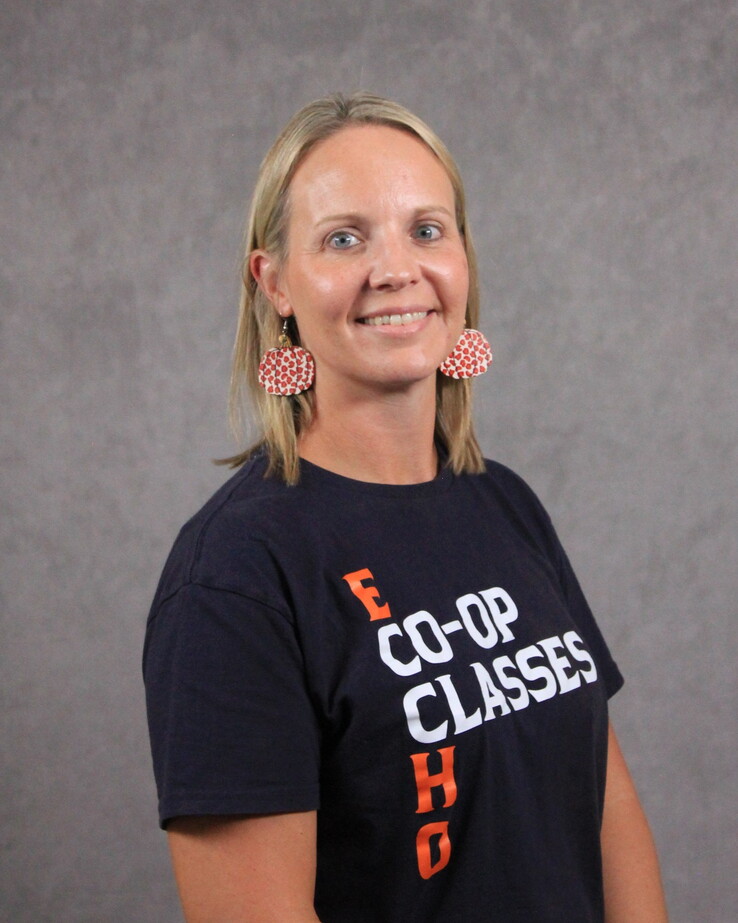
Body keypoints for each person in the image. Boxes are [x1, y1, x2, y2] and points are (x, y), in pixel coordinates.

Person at [143, 92, 668, 922]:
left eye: (426, 230)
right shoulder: (235, 575)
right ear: (274, 282)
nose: (396, 269)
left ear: (462, 260)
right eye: (343, 238)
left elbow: (607, 807)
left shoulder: (505, 503)